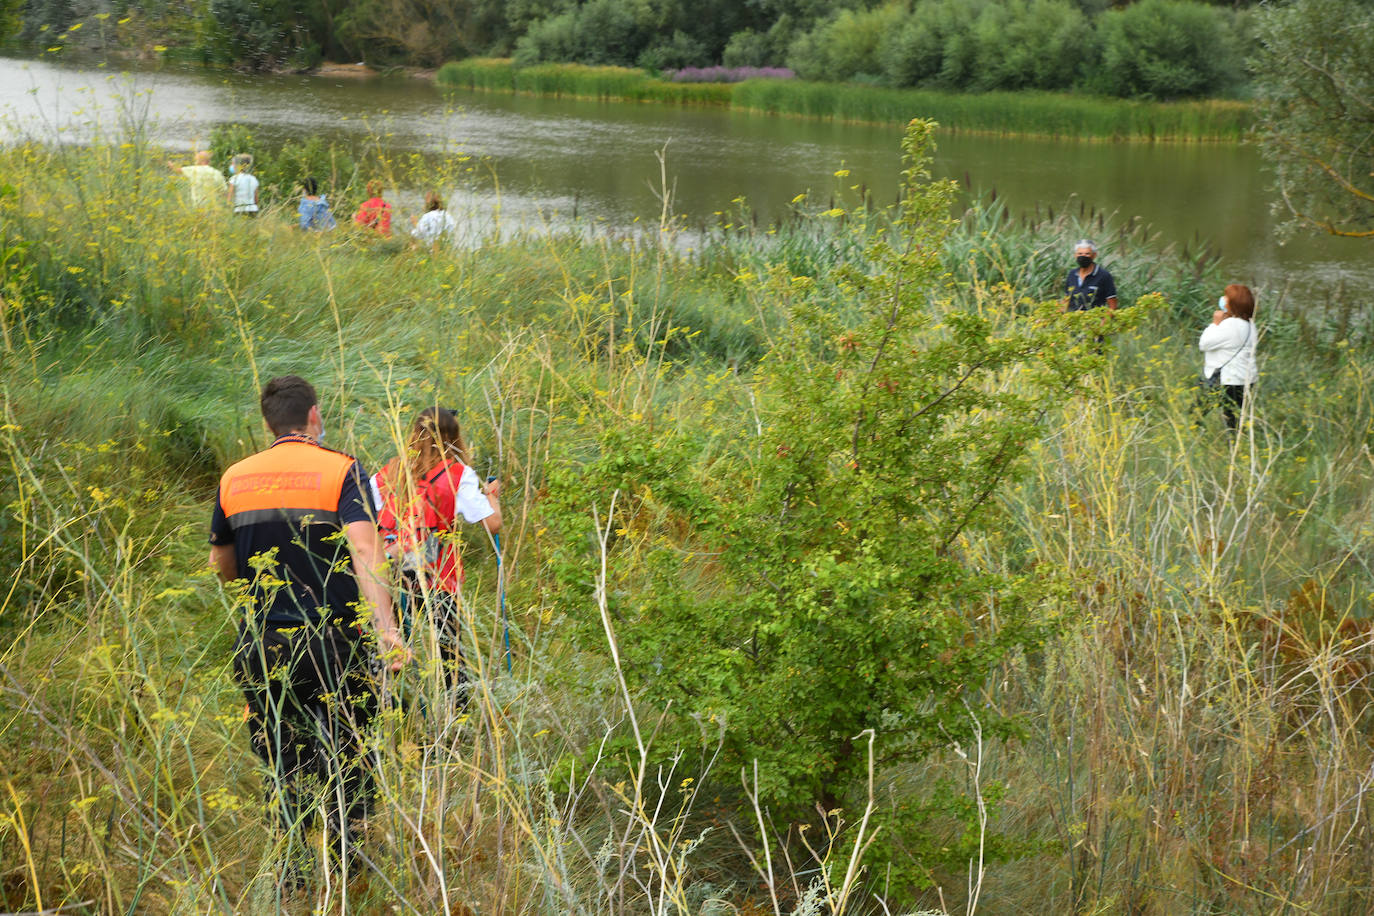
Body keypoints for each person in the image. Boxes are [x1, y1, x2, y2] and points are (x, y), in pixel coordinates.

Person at [208, 375, 408, 886]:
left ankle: (293, 871)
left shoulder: (235, 478)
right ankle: (348, 869)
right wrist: (387, 630)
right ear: (314, 416)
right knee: (350, 752)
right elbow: (367, 552)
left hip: (264, 643)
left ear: (267, 422)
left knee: (281, 756)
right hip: (336, 641)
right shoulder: (342, 470)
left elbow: (222, 565)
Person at [371, 407, 501, 700]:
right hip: (437, 573)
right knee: (449, 652)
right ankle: (458, 722)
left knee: (389, 647)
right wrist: (491, 494)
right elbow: (492, 523)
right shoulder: (458, 474)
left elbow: (365, 508)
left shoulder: (391, 469)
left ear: (415, 434)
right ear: (454, 438)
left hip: (389, 568)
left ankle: (390, 716)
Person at [1198, 283, 1258, 431]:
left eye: (1226, 297)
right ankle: (1235, 447)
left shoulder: (1230, 325)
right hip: (1246, 380)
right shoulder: (1250, 325)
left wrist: (1215, 324)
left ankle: (1193, 439)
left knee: (1196, 414)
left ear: (1233, 304)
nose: (1223, 299)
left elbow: (1204, 344)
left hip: (1226, 380)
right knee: (1235, 420)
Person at [1064, 239, 1118, 312]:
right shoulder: (1072, 274)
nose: (1083, 256)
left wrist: (1103, 322)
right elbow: (1066, 300)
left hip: (1095, 320)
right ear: (1075, 255)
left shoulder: (1104, 275)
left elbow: (1112, 305)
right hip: (1074, 320)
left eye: (1087, 254)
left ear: (1094, 255)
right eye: (1080, 254)